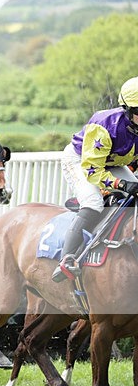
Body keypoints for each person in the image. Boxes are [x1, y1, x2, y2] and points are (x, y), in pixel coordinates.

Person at [52, 76, 138, 282]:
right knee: (93, 202)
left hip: (113, 162)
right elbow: (93, 170)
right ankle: (66, 259)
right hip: (81, 161)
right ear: (127, 110)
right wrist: (122, 184)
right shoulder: (105, 125)